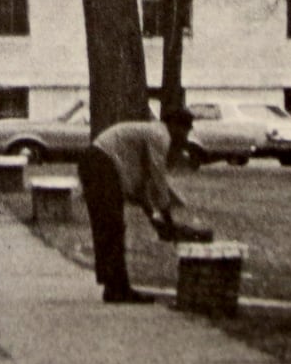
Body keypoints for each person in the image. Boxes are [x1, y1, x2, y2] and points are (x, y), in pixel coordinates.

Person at [78, 115, 213, 304]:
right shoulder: (160, 136)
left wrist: (155, 220)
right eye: (185, 129)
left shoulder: (148, 133)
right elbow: (158, 179)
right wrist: (168, 221)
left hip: (94, 161)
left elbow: (141, 189)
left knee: (109, 228)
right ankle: (119, 289)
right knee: (111, 227)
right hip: (100, 163)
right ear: (173, 125)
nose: (185, 136)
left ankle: (114, 287)